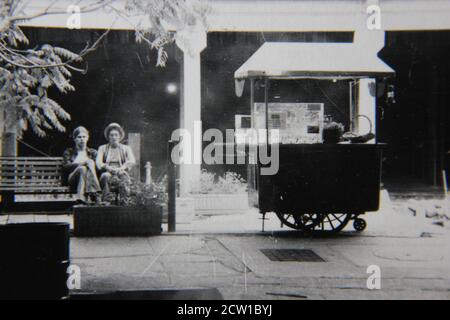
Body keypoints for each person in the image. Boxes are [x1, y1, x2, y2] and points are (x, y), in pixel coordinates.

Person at [96, 123, 136, 202]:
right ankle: (106, 201)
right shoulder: (102, 148)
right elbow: (98, 162)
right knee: (105, 176)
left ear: (120, 136)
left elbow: (132, 161)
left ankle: (124, 200)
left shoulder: (126, 148)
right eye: (111, 135)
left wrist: (122, 168)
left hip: (121, 170)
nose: (114, 137)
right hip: (108, 171)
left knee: (123, 176)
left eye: (116, 135)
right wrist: (107, 167)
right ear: (108, 137)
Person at [62, 126, 101, 204]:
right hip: (73, 179)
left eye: (84, 137)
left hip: (89, 180)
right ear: (75, 139)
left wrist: (88, 164)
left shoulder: (93, 152)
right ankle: (96, 193)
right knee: (82, 168)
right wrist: (82, 164)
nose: (82, 139)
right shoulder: (69, 152)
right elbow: (66, 167)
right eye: (79, 137)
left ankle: (80, 199)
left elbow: (98, 168)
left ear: (87, 138)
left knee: (89, 163)